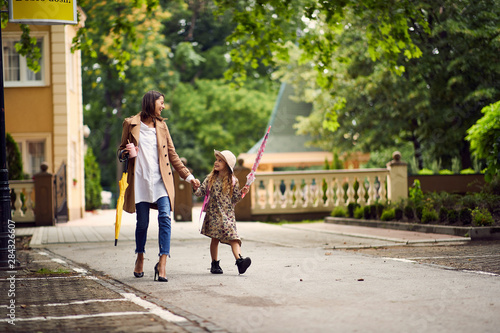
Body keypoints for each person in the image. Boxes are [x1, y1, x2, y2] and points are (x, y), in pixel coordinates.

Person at [118, 90, 200, 282]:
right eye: (160, 102)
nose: (163, 106)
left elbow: (173, 155)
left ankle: (162, 262)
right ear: (150, 102)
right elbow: (121, 151)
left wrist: (190, 177)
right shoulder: (130, 124)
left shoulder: (162, 126)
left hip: (161, 180)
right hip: (140, 180)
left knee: (165, 217)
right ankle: (140, 256)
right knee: (143, 224)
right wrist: (126, 153)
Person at [194, 149, 251, 275]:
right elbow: (200, 193)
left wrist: (243, 192)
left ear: (227, 165)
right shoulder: (210, 179)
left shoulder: (233, 181)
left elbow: (235, 198)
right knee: (215, 239)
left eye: (220, 160)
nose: (216, 162)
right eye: (216, 160)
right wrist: (195, 185)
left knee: (234, 238)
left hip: (228, 215)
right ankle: (214, 264)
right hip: (214, 214)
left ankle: (240, 261)